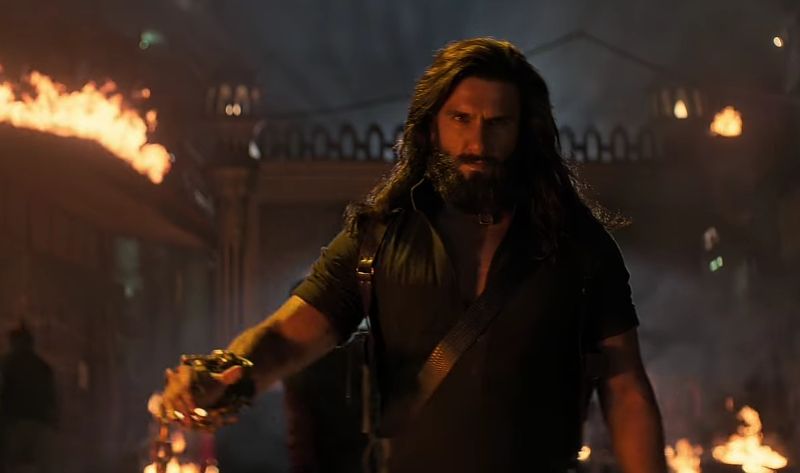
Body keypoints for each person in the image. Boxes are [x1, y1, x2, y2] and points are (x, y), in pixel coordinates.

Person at [161, 37, 666, 473]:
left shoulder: (578, 247)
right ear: (431, 128)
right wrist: (227, 373)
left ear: (524, 133)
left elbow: (625, 390)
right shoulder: (379, 240)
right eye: (461, 119)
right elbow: (286, 340)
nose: (477, 142)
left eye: (498, 123)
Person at [0, 323, 57, 473]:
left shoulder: (6, 363)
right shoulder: (43, 367)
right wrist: (53, 424)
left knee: (12, 465)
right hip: (41, 426)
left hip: (13, 425)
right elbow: (52, 399)